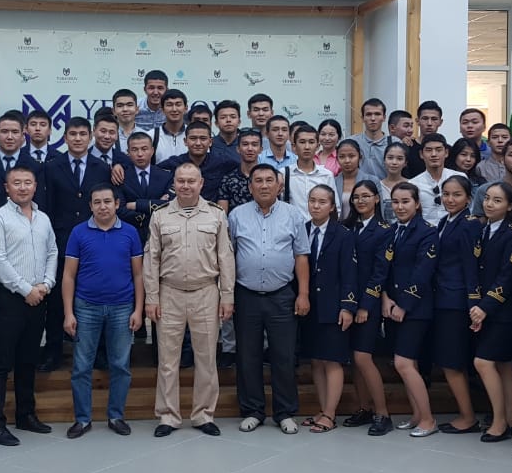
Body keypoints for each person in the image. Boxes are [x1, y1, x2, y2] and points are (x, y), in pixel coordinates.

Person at [144, 162, 234, 437]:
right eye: (181, 181)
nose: (185, 186)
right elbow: (152, 259)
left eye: (191, 181)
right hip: (169, 293)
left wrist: (227, 296)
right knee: (167, 359)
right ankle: (168, 416)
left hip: (206, 292)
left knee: (206, 358)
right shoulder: (160, 215)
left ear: (201, 183)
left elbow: (225, 257)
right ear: (174, 183)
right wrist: (151, 297)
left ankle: (203, 414)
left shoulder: (216, 215)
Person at [229, 164, 311, 434]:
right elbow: (229, 256)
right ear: (250, 186)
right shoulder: (236, 215)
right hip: (246, 295)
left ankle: (284, 412)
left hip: (282, 295)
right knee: (247, 356)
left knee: (283, 355)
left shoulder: (293, 215)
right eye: (258, 181)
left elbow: (301, 255)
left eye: (269, 180)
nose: (264, 185)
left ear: (279, 185)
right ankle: (253, 410)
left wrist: (303, 293)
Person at [0, 164, 58, 444]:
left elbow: (52, 251)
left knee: (28, 360)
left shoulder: (43, 218)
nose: (23, 187)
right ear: (7, 187)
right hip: (10, 299)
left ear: (35, 186)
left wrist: (47, 284)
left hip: (38, 297)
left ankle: (26, 415)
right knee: (0, 364)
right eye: (17, 183)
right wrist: (25, 289)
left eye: (28, 182)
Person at [62, 184, 144, 438]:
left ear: (117, 204)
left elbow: (139, 274)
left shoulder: (130, 232)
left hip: (122, 307)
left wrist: (138, 310)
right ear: (90, 206)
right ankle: (82, 419)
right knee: (81, 366)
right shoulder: (78, 232)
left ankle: (116, 416)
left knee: (120, 365)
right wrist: (68, 313)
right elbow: (68, 275)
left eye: (107, 201)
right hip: (86, 307)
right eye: (97, 202)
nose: (103, 206)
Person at [39, 117, 112, 371]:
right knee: (58, 300)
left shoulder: (102, 167)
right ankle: (53, 352)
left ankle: (99, 352)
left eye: (83, 134)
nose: (78, 138)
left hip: (95, 241)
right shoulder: (51, 166)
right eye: (73, 134)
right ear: (65, 137)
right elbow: (46, 206)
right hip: (61, 241)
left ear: (90, 137)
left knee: (96, 295)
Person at [379, 181, 439, 437]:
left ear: (417, 204)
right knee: (407, 363)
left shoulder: (427, 232)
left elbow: (422, 273)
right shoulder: (393, 230)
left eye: (405, 202)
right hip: (392, 306)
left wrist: (404, 304)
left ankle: (428, 419)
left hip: (416, 308)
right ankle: (416, 415)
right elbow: (384, 269)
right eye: (396, 202)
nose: (400, 207)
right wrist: (385, 298)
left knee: (403, 363)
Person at [298, 185, 357, 432]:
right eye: (312, 201)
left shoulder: (343, 234)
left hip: (334, 306)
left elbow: (350, 273)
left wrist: (348, 306)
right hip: (310, 306)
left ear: (332, 207)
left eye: (322, 202)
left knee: (332, 360)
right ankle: (323, 409)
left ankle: (331, 414)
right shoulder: (302, 230)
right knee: (316, 360)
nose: (316, 206)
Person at [469, 181, 512, 442]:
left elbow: (507, 276)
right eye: (487, 199)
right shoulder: (484, 229)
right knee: (503, 365)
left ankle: (499, 421)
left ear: (510, 206)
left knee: (483, 362)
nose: (489, 204)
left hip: (502, 309)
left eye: (497, 200)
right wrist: (477, 306)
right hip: (484, 308)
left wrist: (485, 306)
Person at [342, 180, 393, 435]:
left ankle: (382, 413)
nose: (360, 201)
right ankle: (364, 408)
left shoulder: (384, 230)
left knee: (363, 357)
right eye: (356, 197)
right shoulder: (347, 227)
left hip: (367, 302)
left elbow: (380, 273)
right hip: (346, 301)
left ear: (376, 199)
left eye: (366, 196)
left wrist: (365, 306)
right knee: (354, 359)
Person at [432, 175, 482, 434]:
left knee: (453, 361)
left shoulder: (469, 224)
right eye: (446, 194)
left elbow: (471, 266)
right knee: (449, 359)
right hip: (442, 296)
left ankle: (468, 416)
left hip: (457, 299)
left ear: (469, 198)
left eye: (457, 195)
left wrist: (473, 302)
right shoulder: (445, 221)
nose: (450, 199)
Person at [118, 131, 173, 240]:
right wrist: (156, 204)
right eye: (134, 150)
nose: (140, 154)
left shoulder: (165, 176)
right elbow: (120, 210)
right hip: (130, 234)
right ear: (128, 152)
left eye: (144, 149)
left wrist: (136, 205)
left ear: (152, 151)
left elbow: (170, 205)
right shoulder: (121, 176)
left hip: (161, 234)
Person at [161, 121, 234, 202]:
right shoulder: (174, 163)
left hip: (211, 208)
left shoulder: (222, 162)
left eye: (203, 139)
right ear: (185, 141)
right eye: (193, 138)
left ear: (210, 142)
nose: (198, 143)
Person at [410, 133, 465, 224]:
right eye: (429, 150)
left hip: (455, 229)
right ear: (421, 154)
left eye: (438, 150)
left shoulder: (460, 177)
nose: (434, 154)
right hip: (424, 230)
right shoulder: (413, 184)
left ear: (446, 153)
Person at [282, 123, 335, 211]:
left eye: (311, 142)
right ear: (294, 146)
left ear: (317, 146)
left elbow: (334, 207)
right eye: (302, 142)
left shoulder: (326, 175)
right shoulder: (284, 174)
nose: (307, 147)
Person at [216, 129, 263, 212]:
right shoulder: (228, 180)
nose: (250, 149)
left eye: (254, 145)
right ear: (238, 149)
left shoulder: (268, 178)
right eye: (245, 144)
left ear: (261, 149)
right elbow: (222, 214)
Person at [346, 98, 389, 177]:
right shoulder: (351, 142)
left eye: (377, 114)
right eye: (368, 114)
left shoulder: (393, 143)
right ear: (362, 118)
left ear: (384, 118)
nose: (373, 118)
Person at [402, 101, 445, 178]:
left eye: (434, 119)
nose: (429, 123)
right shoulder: (407, 147)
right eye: (425, 118)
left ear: (440, 122)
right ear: (417, 121)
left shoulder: (446, 150)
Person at [152, 88, 189, 163]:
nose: (174, 109)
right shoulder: (151, 136)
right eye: (169, 105)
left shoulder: (193, 135)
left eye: (178, 104)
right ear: (162, 109)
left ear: (186, 108)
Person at [377, 142, 408, 223]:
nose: (394, 162)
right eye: (390, 158)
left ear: (405, 163)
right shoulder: (377, 186)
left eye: (399, 159)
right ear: (384, 160)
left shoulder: (412, 185)